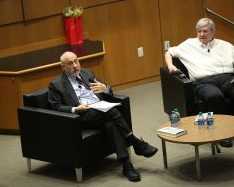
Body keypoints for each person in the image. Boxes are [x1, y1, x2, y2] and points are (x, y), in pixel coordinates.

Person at [48, 51, 158, 182]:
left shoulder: (87, 73)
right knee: (112, 111)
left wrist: (105, 88)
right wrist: (75, 109)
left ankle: (126, 165)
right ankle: (135, 142)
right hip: (82, 116)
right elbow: (55, 106)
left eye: (76, 61)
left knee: (112, 124)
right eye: (70, 63)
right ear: (63, 67)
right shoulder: (57, 84)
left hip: (100, 110)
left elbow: (106, 88)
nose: (75, 65)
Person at [165, 18, 234, 147]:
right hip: (203, 82)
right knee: (215, 96)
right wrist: (170, 66)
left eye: (205, 31)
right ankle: (221, 133)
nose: (201, 34)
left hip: (226, 78)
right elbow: (169, 51)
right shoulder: (188, 44)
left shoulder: (224, 45)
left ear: (213, 32)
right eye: (199, 31)